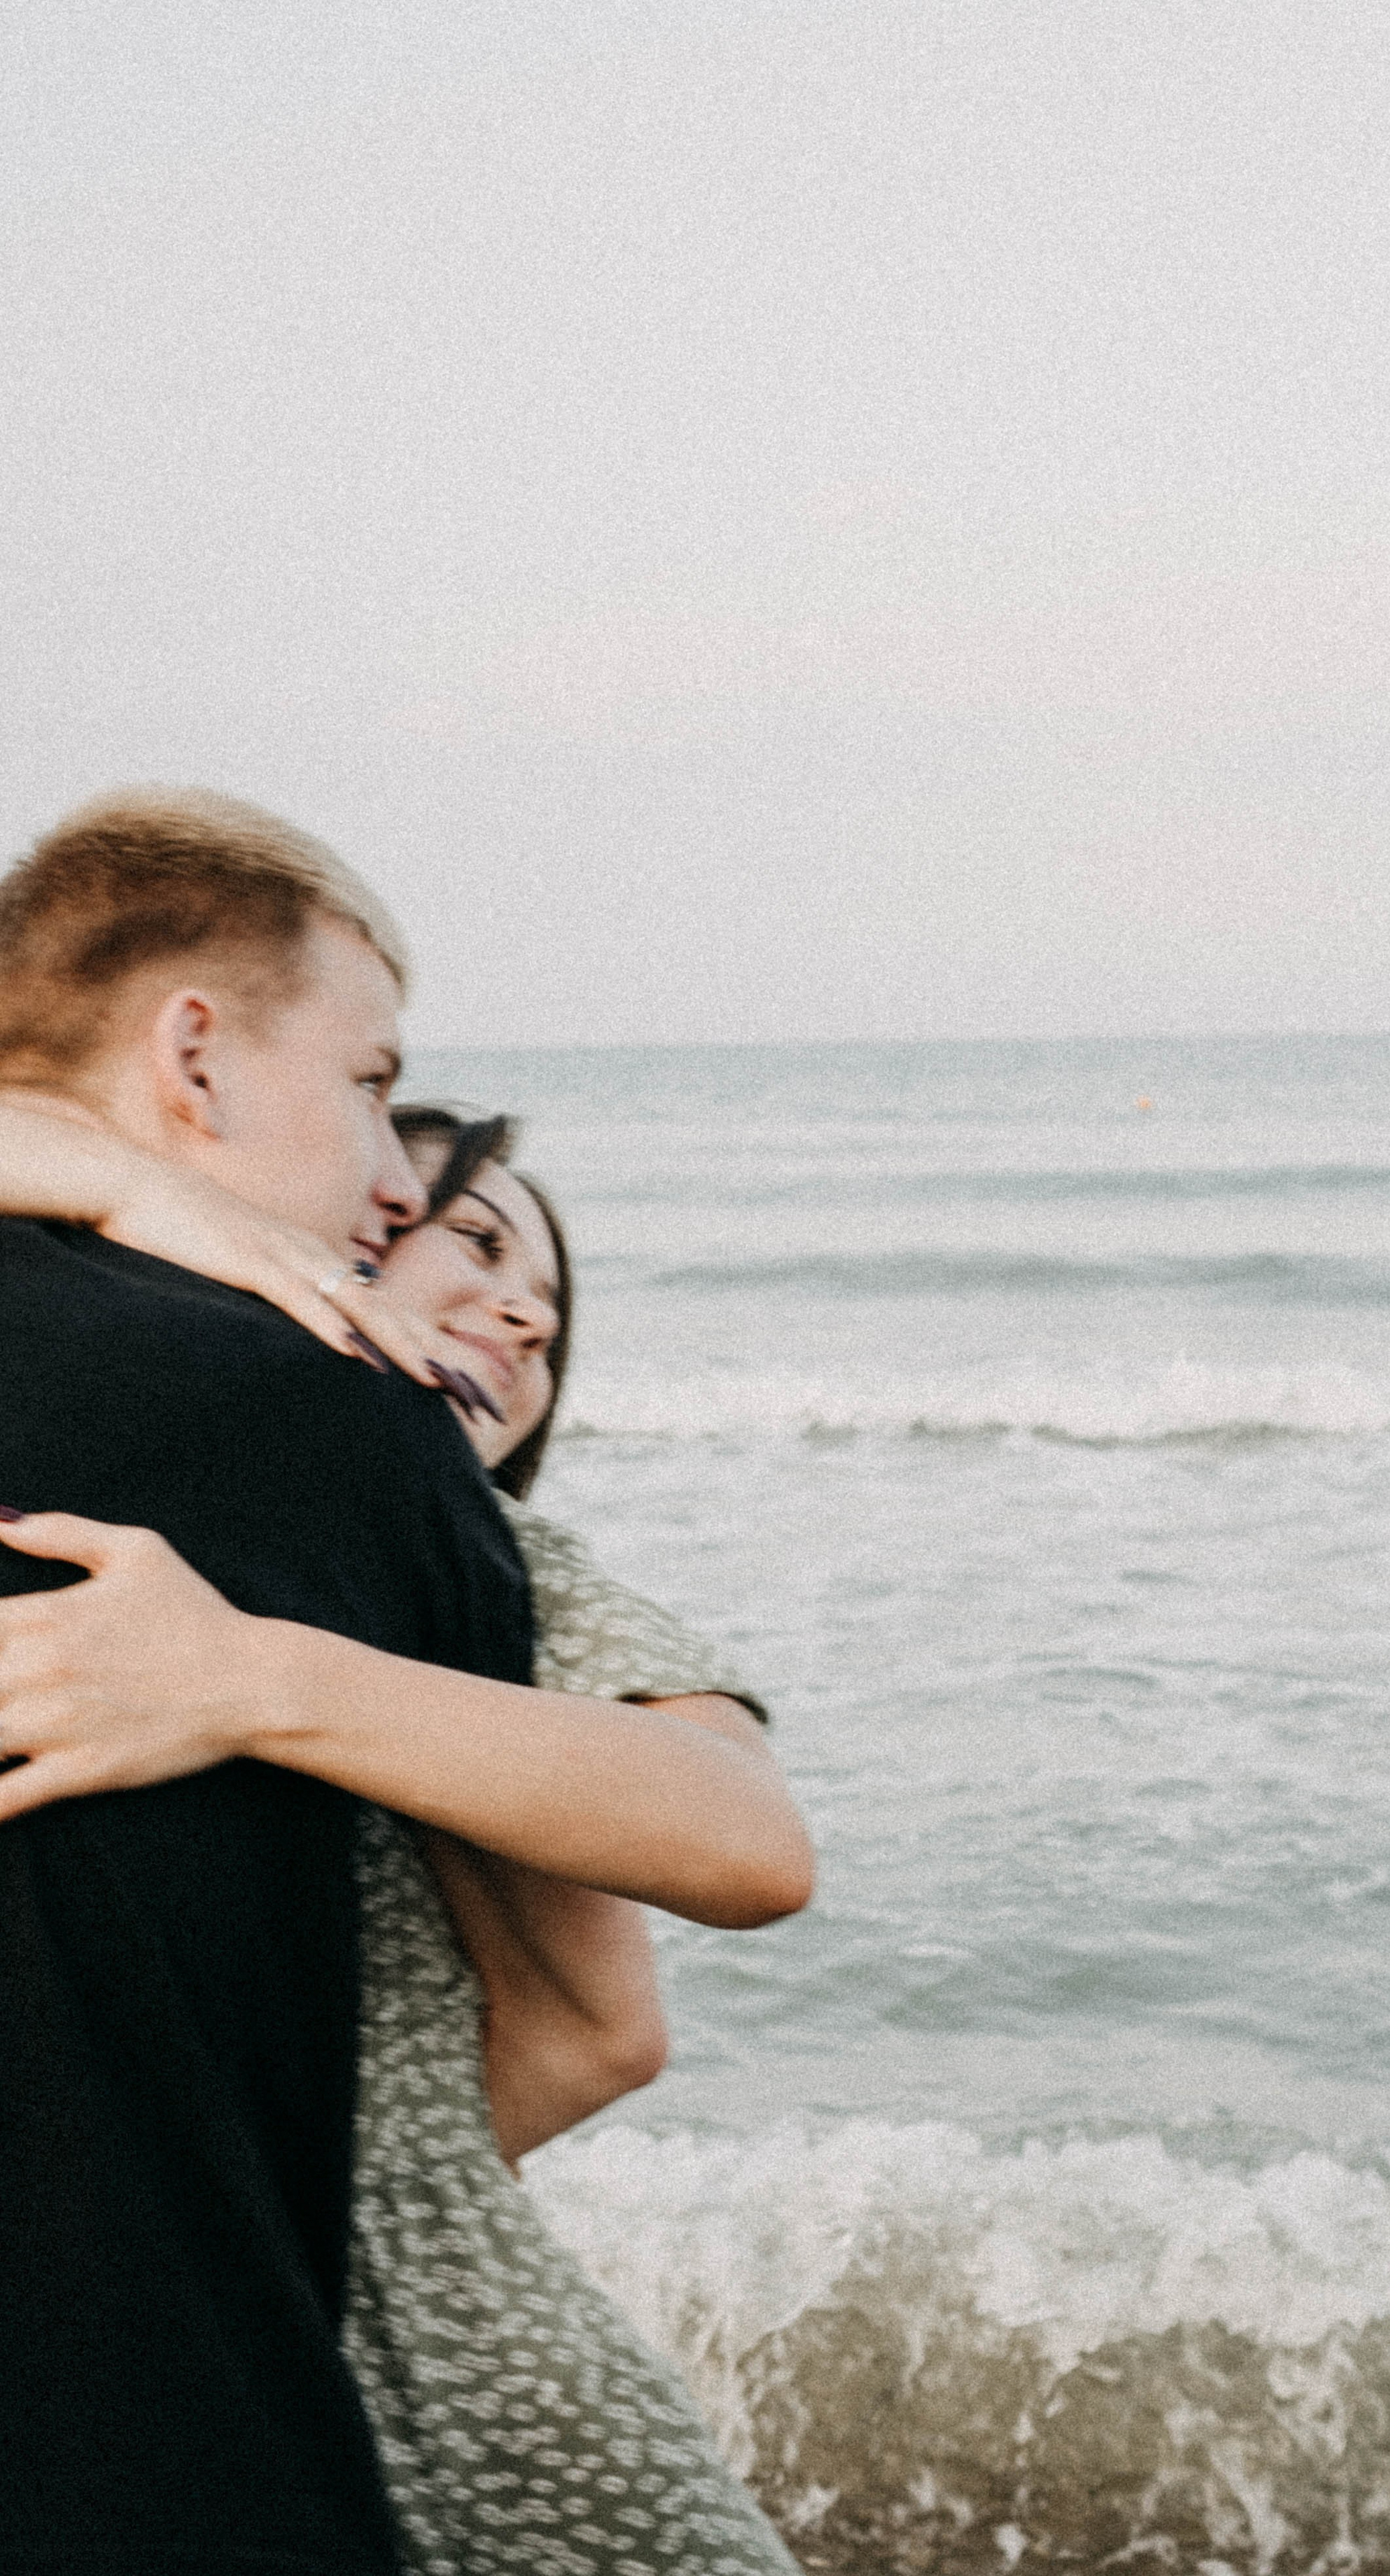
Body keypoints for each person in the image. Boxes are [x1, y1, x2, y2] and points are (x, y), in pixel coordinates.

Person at [0, 789, 810, 2575]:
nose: (520, 1316)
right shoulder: (301, 1399)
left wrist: (252, 1675)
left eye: (549, 1297)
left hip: (401, 2346)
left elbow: (732, 1853)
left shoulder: (498, 1554)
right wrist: (104, 1165)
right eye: (470, 1242)